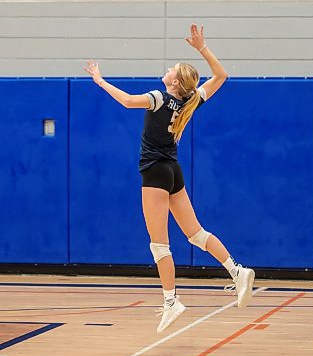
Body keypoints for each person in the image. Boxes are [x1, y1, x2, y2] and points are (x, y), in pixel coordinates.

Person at [84, 24, 255, 333]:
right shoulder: (190, 101)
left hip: (154, 173)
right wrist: (202, 48)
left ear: (174, 81)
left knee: (159, 245)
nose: (166, 70)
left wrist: (99, 81)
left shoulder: (159, 97)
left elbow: (125, 101)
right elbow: (221, 76)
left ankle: (170, 301)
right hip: (173, 171)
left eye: (171, 69)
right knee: (196, 234)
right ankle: (236, 270)